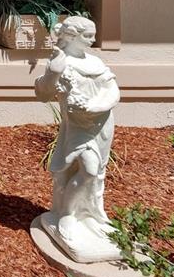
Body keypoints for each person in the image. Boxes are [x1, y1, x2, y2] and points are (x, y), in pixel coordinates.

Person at [35, 15, 121, 262]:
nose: (94, 40)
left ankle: (90, 216)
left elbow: (113, 90)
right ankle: (67, 215)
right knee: (88, 169)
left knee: (98, 172)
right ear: (72, 36)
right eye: (88, 36)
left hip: (102, 122)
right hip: (77, 126)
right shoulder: (60, 62)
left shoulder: (95, 61)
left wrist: (97, 105)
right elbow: (42, 93)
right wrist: (53, 73)